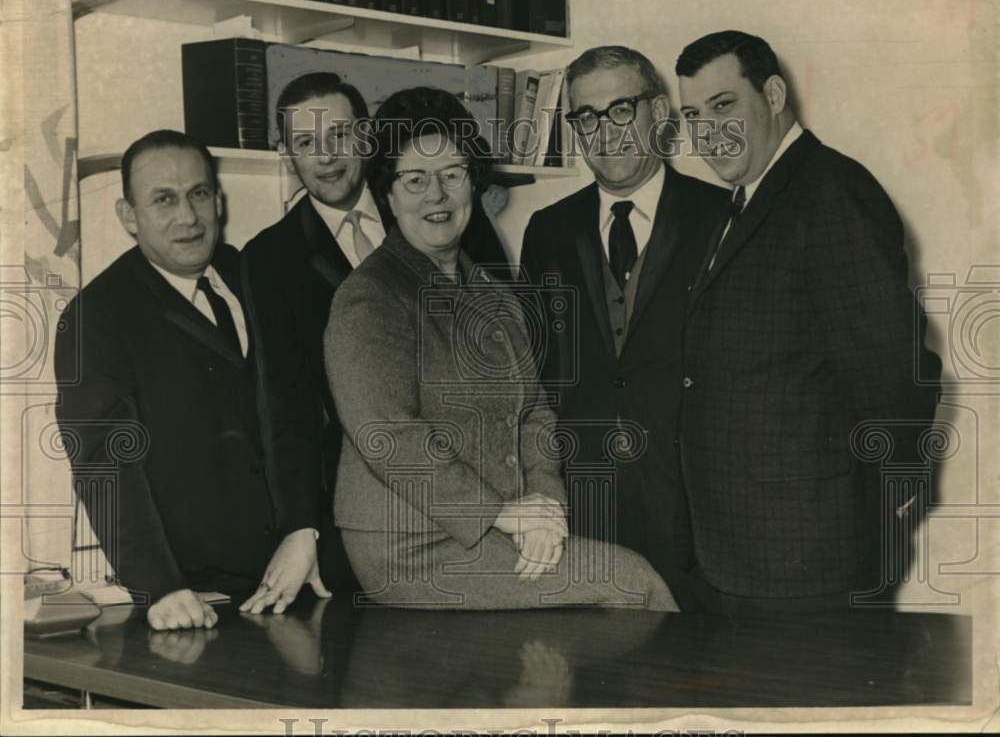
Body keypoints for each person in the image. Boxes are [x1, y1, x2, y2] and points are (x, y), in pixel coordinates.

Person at [325, 86, 677, 611]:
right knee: (633, 581)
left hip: (497, 524)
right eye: (415, 179)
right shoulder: (369, 298)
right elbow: (389, 436)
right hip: (409, 546)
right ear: (388, 194)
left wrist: (547, 508)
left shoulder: (491, 293)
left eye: (452, 174)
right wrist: (505, 514)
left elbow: (535, 411)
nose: (437, 196)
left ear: (473, 182)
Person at [675, 30, 942, 613]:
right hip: (745, 544)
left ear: (772, 95)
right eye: (692, 116)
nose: (708, 133)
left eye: (724, 107)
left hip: (809, 549)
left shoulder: (830, 191)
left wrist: (891, 487)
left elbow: (894, 360)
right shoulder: (748, 198)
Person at [242, 73, 510, 605]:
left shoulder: (433, 200)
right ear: (284, 154)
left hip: (476, 490)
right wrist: (300, 527)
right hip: (367, 514)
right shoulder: (269, 258)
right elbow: (284, 401)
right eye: (306, 143)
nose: (327, 157)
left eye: (340, 135)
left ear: (366, 135)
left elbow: (505, 349)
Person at [54, 130, 327, 630]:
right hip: (195, 599)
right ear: (128, 216)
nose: (187, 216)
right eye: (164, 199)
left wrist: (304, 528)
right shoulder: (97, 315)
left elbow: (298, 411)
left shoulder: (250, 273)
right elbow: (104, 463)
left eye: (199, 194)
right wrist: (159, 587)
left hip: (299, 575)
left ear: (218, 201)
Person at [518, 46, 729, 610]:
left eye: (619, 111)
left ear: (658, 114)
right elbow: (535, 375)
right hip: (587, 506)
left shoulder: (722, 217)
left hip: (698, 508)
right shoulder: (547, 230)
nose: (602, 131)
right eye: (585, 116)